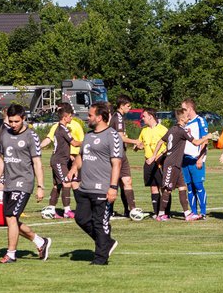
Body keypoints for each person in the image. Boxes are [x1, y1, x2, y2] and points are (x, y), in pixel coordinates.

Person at [0, 103, 50, 263]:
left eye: (16, 121)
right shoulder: (4, 134)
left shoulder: (31, 136)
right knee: (10, 220)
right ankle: (40, 241)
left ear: (23, 119)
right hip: (8, 183)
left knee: (10, 216)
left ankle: (11, 254)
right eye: (11, 121)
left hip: (24, 183)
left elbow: (37, 162)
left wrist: (40, 186)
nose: (13, 125)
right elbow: (2, 160)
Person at [66, 101, 124, 264]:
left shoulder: (112, 135)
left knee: (100, 223)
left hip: (102, 188)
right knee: (81, 218)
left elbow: (116, 163)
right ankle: (106, 243)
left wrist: (113, 187)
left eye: (90, 115)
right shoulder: (88, 136)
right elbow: (81, 156)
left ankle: (100, 258)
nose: (87, 118)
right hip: (85, 186)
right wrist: (72, 170)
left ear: (99, 117)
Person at [40, 102, 84, 220]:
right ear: (65, 117)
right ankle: (67, 211)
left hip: (61, 160)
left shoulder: (61, 127)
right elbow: (74, 143)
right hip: (59, 161)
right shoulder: (62, 129)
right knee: (67, 183)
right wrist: (87, 141)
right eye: (70, 116)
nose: (71, 118)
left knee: (57, 185)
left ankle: (51, 210)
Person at [110, 96, 146, 220]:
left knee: (126, 181)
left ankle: (131, 210)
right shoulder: (118, 118)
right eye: (128, 106)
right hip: (117, 155)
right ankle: (109, 211)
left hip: (121, 153)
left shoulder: (119, 117)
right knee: (116, 182)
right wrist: (136, 141)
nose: (129, 108)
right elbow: (120, 137)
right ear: (122, 105)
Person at [157, 108, 195, 220]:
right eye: (187, 116)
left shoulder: (173, 129)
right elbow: (196, 142)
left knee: (183, 187)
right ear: (182, 118)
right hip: (171, 163)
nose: (189, 117)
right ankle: (161, 214)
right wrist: (207, 137)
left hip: (177, 164)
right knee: (167, 188)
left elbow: (161, 141)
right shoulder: (181, 131)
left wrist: (156, 155)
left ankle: (187, 214)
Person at [180, 99, 210, 219]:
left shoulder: (200, 121)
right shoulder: (184, 122)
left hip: (195, 159)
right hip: (184, 159)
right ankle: (193, 212)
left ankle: (203, 212)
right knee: (189, 187)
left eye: (184, 109)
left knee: (198, 185)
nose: (182, 111)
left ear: (190, 109)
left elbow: (205, 140)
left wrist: (200, 158)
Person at [137, 109, 168, 218]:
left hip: (160, 162)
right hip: (148, 162)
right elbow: (140, 143)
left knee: (164, 188)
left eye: (144, 116)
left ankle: (165, 212)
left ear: (150, 116)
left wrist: (159, 157)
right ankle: (156, 213)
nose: (142, 118)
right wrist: (138, 146)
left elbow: (170, 146)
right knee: (153, 187)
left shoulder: (163, 129)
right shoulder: (144, 130)